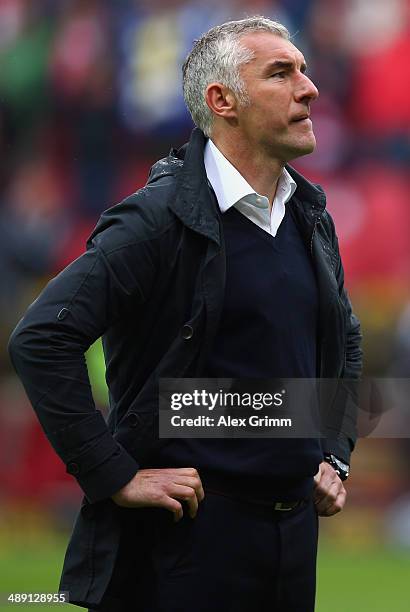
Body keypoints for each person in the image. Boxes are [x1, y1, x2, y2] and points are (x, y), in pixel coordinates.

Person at [8, 16, 362, 612]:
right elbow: (41, 338)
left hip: (295, 541)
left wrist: (335, 450)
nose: (310, 88)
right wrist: (114, 474)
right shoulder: (155, 219)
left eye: (304, 70)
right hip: (187, 543)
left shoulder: (309, 213)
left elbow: (344, 341)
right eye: (282, 73)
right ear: (222, 100)